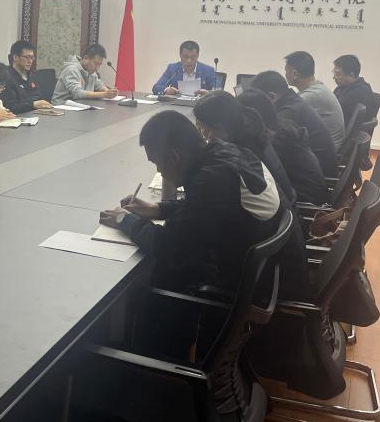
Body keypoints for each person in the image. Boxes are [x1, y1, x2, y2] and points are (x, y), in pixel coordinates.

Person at [98, 111, 285, 294]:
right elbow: (205, 209)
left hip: (232, 288)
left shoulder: (212, 180)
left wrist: (124, 220)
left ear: (173, 157)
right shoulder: (227, 153)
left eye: (156, 163)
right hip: (263, 271)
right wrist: (157, 209)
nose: (159, 171)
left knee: (146, 285)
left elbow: (167, 245)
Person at [193, 90, 297, 207]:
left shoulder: (238, 154)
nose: (200, 131)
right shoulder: (253, 135)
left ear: (218, 127)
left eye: (201, 125)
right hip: (287, 210)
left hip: (278, 212)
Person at [238, 88, 328, 205]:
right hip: (314, 194)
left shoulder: (272, 141)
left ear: (249, 117)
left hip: (307, 204)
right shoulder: (283, 126)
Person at [250, 70, 338, 178]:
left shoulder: (289, 113)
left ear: (272, 97)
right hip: (318, 171)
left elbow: (267, 147)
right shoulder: (294, 102)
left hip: (321, 176)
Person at [284, 51, 345, 149]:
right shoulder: (317, 89)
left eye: (286, 71)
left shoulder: (312, 95)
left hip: (324, 152)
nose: (285, 75)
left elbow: (284, 116)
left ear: (294, 74)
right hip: (328, 147)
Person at [0, 40, 53, 114]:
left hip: (36, 114)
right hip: (17, 116)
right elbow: (10, 107)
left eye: (32, 58)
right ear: (15, 57)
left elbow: (38, 97)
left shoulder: (31, 75)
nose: (30, 61)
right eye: (27, 57)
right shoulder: (6, 77)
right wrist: (32, 105)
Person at [52, 44, 118, 105]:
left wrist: (109, 92)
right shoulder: (71, 70)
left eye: (99, 64)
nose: (97, 68)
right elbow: (77, 93)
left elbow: (99, 86)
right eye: (95, 63)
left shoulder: (91, 71)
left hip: (80, 106)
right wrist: (104, 94)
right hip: (61, 107)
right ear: (86, 58)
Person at [151, 40, 217, 96]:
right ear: (180, 55)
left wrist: (208, 93)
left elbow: (218, 92)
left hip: (199, 105)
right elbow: (156, 87)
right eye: (185, 57)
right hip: (176, 105)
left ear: (197, 56)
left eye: (193, 57)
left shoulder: (208, 70)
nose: (189, 61)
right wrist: (166, 90)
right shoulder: (173, 68)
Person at [332, 54, 377, 125]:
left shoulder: (360, 92)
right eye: (334, 73)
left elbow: (334, 111)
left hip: (342, 129)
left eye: (338, 74)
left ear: (351, 75)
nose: (334, 77)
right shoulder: (342, 87)